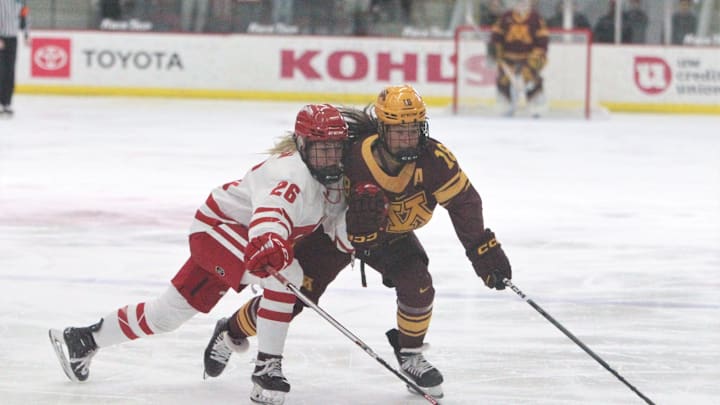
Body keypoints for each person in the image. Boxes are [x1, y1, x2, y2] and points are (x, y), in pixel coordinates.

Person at [203, 85, 513, 400]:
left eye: (414, 129)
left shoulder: (435, 160)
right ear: (382, 129)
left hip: (391, 238)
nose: (408, 138)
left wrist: (481, 251)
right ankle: (231, 331)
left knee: (419, 286)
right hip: (334, 237)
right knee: (293, 299)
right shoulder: (351, 156)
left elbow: (464, 204)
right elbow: (311, 184)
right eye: (399, 131)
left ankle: (411, 355)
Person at [49, 104, 351, 405]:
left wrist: (360, 232)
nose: (330, 157)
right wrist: (269, 239)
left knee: (166, 315)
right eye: (322, 149)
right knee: (288, 276)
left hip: (234, 239)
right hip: (217, 231)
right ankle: (266, 369)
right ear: (302, 144)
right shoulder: (288, 173)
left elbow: (336, 229)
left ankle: (83, 339)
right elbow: (271, 215)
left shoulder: (335, 180)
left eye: (336, 148)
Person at [490, 0, 549, 117]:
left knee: (532, 79)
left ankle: (536, 105)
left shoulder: (536, 19)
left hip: (529, 58)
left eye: (525, 2)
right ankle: (506, 104)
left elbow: (542, 42)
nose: (522, 4)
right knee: (503, 79)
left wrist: (536, 58)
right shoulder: (505, 17)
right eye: (519, 2)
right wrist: (496, 50)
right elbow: (496, 37)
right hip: (508, 58)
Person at [0, 0, 29, 118]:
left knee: (10, 72)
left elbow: (25, 17)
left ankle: (7, 103)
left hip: (12, 39)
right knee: (1, 71)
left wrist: (26, 35)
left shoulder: (21, 1)